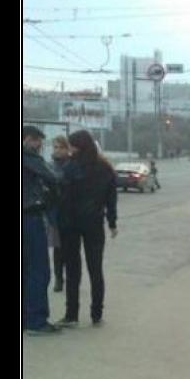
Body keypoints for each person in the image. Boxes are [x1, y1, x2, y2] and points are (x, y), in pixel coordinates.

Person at [57, 130, 118, 327]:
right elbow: (111, 198)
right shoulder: (105, 167)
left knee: (73, 270)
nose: (71, 149)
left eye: (72, 145)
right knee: (96, 269)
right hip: (94, 223)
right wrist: (112, 222)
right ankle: (96, 313)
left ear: (78, 146)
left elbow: (63, 195)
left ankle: (72, 314)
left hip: (70, 224)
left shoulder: (70, 167)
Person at [22, 125, 62, 335]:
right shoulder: (29, 157)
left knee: (24, 270)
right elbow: (53, 177)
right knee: (39, 270)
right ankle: (36, 321)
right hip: (30, 217)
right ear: (28, 139)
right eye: (38, 141)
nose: (39, 146)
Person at [48, 134, 71, 292]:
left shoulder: (71, 164)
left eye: (59, 147)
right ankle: (58, 278)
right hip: (54, 213)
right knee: (57, 249)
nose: (56, 150)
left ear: (66, 148)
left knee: (70, 249)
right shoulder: (49, 165)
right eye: (54, 147)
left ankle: (70, 278)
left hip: (70, 212)